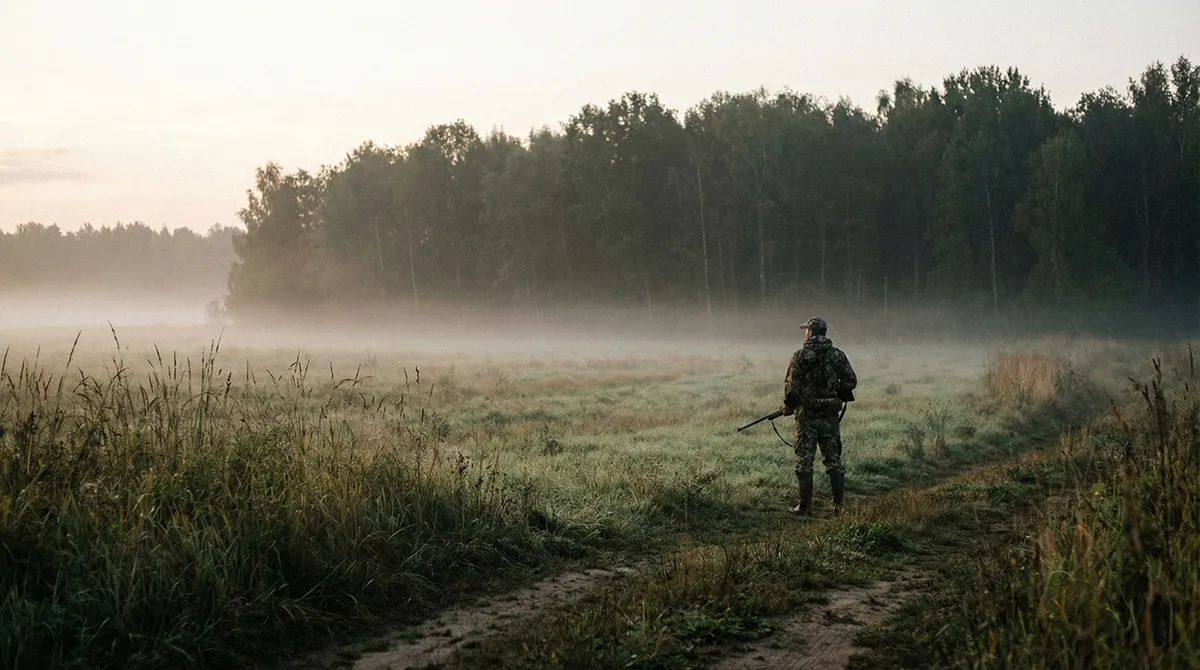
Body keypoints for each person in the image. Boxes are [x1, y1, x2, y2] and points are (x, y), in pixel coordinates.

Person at [780, 316, 857, 516]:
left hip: (807, 416)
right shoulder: (837, 355)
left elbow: (791, 388)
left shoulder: (799, 356)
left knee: (805, 461)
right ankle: (839, 507)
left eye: (806, 329)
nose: (805, 332)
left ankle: (804, 507)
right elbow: (851, 381)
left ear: (811, 332)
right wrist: (834, 390)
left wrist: (788, 407)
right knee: (834, 460)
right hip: (830, 416)